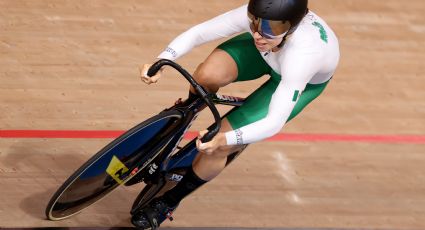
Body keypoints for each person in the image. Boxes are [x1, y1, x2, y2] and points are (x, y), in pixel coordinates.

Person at [132, 0, 340, 229]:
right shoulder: (262, 22)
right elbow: (199, 33)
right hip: (266, 54)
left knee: (220, 145)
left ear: (291, 28)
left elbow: (274, 121)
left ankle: (169, 201)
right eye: (255, 23)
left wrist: (226, 139)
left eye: (271, 29)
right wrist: (163, 60)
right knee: (206, 76)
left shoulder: (305, 54)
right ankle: (179, 122)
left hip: (299, 79)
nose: (260, 34)